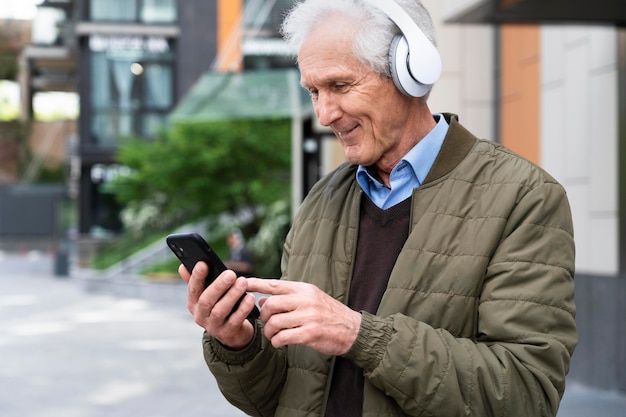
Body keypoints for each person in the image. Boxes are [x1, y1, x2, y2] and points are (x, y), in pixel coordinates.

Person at [178, 0, 577, 416]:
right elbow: (280, 397)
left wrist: (358, 334)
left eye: (340, 85)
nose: (324, 113)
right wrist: (239, 344)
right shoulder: (322, 199)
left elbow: (526, 394)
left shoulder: (524, 197)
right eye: (314, 91)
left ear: (410, 73)